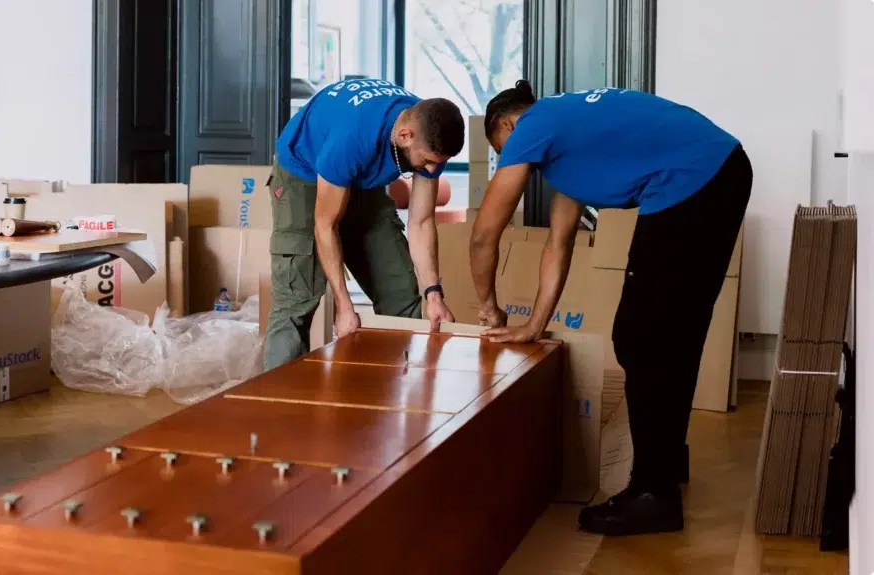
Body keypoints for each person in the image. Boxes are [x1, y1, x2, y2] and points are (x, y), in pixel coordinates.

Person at [469, 80, 752, 536]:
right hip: (721, 170)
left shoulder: (533, 126)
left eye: (502, 150)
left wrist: (489, 308)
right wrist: (535, 324)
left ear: (506, 125)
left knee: (639, 337)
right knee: (675, 330)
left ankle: (651, 494)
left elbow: (484, 235)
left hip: (692, 181)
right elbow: (558, 245)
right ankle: (665, 462)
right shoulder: (569, 139)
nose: (511, 161)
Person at [264, 78, 465, 371]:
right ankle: (279, 408)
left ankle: (397, 400)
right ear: (405, 136)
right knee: (297, 298)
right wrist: (344, 306)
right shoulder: (352, 137)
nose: (433, 169)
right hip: (304, 174)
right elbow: (325, 226)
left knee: (400, 290)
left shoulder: (431, 133)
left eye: (439, 163)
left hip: (361, 174)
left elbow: (421, 222)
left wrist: (433, 293)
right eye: (429, 162)